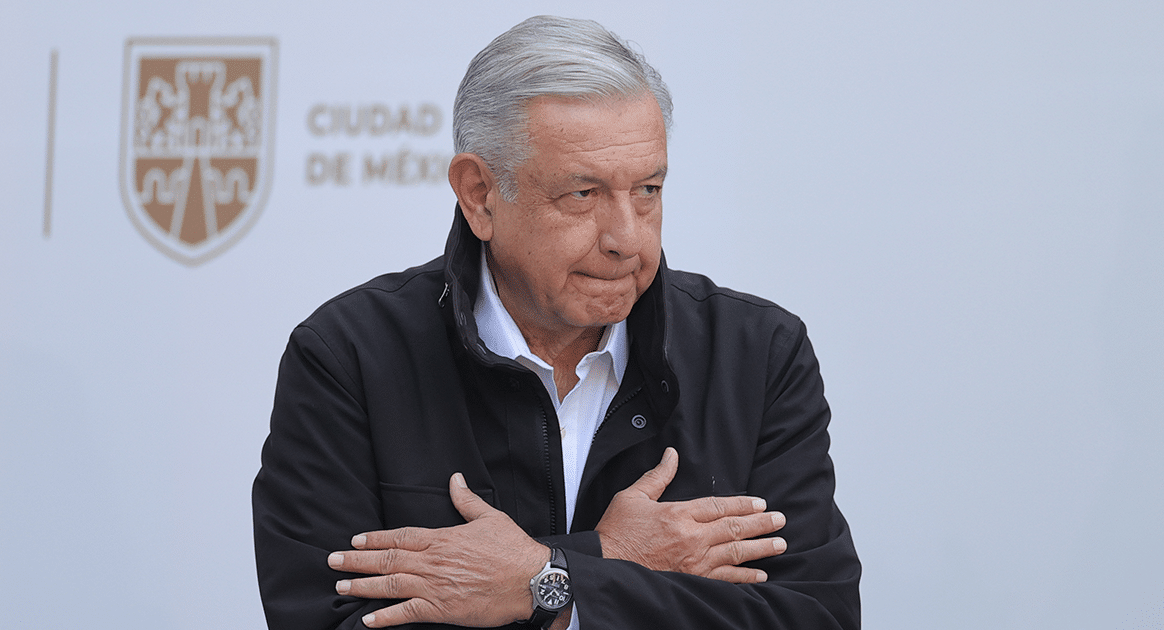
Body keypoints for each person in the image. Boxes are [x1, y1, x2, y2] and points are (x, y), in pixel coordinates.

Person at [253, 15, 860, 630]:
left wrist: (551, 581)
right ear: (479, 194)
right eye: (583, 195)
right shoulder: (349, 358)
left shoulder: (757, 355)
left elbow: (817, 617)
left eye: (648, 190)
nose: (626, 238)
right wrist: (614, 560)